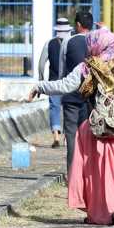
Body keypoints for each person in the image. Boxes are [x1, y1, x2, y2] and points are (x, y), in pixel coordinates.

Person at [28, 28, 114, 225]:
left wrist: (40, 86)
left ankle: (97, 212)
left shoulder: (86, 68)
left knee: (95, 175)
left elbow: (63, 86)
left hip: (94, 130)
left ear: (94, 45)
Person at [58, 12, 92, 177]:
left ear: (78, 25)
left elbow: (61, 68)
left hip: (71, 95)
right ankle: (88, 173)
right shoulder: (96, 41)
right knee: (89, 135)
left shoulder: (68, 41)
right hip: (90, 97)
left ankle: (72, 175)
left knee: (71, 136)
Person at [38, 18, 72, 148]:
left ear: (56, 30)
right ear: (68, 30)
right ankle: (67, 138)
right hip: (70, 82)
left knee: (55, 107)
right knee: (69, 108)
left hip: (53, 82)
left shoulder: (49, 43)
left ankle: (56, 137)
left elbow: (41, 64)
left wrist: (41, 81)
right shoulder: (72, 42)